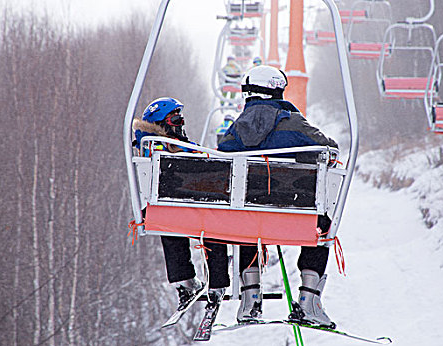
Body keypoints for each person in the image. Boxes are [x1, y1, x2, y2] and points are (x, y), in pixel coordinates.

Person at [218, 65, 338, 328]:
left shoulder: (236, 129)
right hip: (295, 215)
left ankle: (250, 299)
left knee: (245, 223)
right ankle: (309, 301)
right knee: (324, 225)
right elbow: (329, 148)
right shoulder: (292, 122)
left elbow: (223, 156)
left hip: (252, 218)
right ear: (276, 90)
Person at [133, 97, 231, 319]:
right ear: (162, 123)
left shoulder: (150, 145)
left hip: (167, 212)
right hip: (189, 207)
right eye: (176, 118)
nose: (181, 123)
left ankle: (184, 281)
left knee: (169, 223)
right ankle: (216, 284)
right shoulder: (169, 146)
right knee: (217, 224)